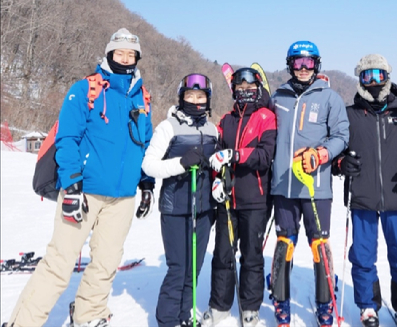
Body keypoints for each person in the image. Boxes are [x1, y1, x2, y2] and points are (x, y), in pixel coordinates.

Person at [5, 28, 154, 327]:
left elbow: (144, 146)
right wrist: (71, 184)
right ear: (109, 53)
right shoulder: (85, 89)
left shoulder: (142, 98)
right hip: (82, 191)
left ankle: (89, 314)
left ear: (137, 58)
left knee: (106, 263)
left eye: (131, 54)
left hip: (122, 197)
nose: (125, 58)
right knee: (60, 263)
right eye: (119, 52)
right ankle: (22, 323)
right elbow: (68, 138)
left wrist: (146, 183)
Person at [331, 54, 397, 327]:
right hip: (362, 198)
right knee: (362, 256)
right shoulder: (350, 115)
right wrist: (341, 164)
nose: (373, 82)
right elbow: (336, 154)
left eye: (379, 75)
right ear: (359, 79)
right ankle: (367, 306)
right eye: (366, 76)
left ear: (388, 77)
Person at [268, 40, 349, 327]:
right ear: (290, 65)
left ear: (317, 65)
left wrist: (322, 153)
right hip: (283, 186)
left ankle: (325, 304)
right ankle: (280, 301)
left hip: (316, 187)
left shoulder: (330, 98)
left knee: (319, 246)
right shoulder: (278, 97)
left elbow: (341, 136)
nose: (303, 68)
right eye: (298, 63)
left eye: (309, 63)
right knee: (283, 245)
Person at [141, 73, 218, 327]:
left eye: (201, 96)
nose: (195, 101)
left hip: (204, 208)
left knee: (194, 269)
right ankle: (167, 320)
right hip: (176, 208)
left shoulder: (211, 129)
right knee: (178, 269)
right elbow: (149, 165)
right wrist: (181, 164)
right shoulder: (168, 127)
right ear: (181, 97)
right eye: (190, 96)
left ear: (208, 100)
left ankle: (185, 314)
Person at [202, 67, 277, 327]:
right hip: (228, 199)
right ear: (234, 90)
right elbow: (217, 158)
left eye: (250, 87)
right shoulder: (227, 120)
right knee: (222, 254)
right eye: (240, 87)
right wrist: (216, 184)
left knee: (252, 256)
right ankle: (219, 305)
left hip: (255, 199)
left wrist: (237, 155)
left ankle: (250, 308)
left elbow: (265, 156)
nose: (245, 91)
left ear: (258, 87)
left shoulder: (266, 117)